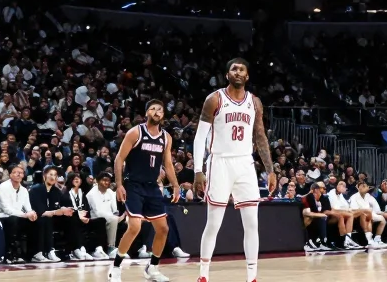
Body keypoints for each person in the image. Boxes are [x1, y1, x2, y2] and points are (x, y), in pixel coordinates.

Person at [193, 59, 275, 282]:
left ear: (247, 76)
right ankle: (203, 275)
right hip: (219, 163)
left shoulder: (254, 102)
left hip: (245, 164)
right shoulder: (214, 99)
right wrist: (197, 170)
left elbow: (260, 136)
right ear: (227, 74)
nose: (238, 72)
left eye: (242, 70)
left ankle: (252, 277)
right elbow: (200, 137)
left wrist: (270, 170)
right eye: (234, 69)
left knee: (252, 223)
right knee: (214, 223)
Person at [110, 100, 179, 282]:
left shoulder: (166, 137)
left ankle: (153, 268)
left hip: (152, 186)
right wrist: (119, 185)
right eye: (153, 109)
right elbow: (119, 159)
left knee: (163, 228)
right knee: (134, 227)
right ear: (147, 112)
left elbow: (168, 164)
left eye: (160, 109)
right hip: (133, 185)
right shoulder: (135, 132)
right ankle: (116, 267)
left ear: (163, 115)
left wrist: (176, 185)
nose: (156, 112)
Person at [0, 164, 38, 262]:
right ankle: (11, 253)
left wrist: (31, 213)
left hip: (19, 216)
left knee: (36, 221)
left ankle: (33, 253)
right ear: (10, 175)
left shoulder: (24, 190)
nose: (18, 174)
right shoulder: (3, 187)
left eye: (21, 173)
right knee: (13, 220)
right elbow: (7, 209)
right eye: (15, 172)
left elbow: (28, 208)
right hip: (3, 216)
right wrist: (25, 214)